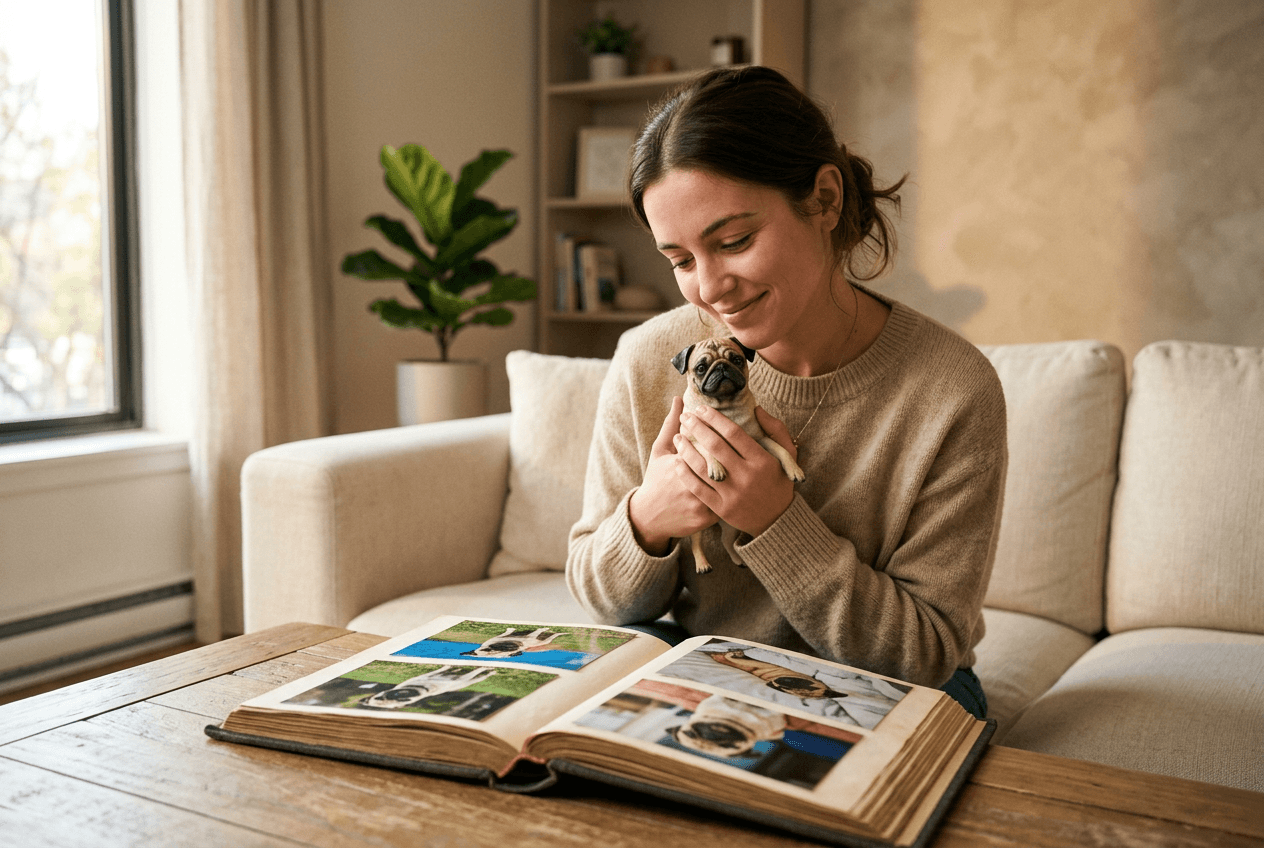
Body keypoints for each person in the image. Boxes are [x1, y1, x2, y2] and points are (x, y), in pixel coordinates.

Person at [565, 66, 1004, 720]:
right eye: (680, 260)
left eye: (734, 241)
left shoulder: (952, 389)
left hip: (884, 686)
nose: (709, 287)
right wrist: (649, 519)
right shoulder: (652, 358)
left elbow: (926, 654)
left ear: (824, 200)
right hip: (702, 662)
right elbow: (599, 596)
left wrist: (776, 521)